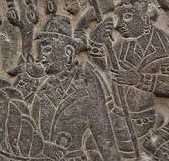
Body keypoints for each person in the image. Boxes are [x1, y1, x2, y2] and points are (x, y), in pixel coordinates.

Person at [89, 0, 169, 157]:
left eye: (127, 16)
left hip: (153, 124)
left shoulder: (164, 44)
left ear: (144, 17)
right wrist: (96, 44)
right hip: (119, 123)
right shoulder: (120, 47)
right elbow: (104, 71)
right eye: (118, 18)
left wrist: (139, 80)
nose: (119, 25)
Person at [30, 15, 121, 161]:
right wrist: (43, 147)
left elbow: (105, 139)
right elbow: (29, 133)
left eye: (47, 50)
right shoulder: (41, 91)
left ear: (68, 52)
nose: (40, 58)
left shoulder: (86, 83)